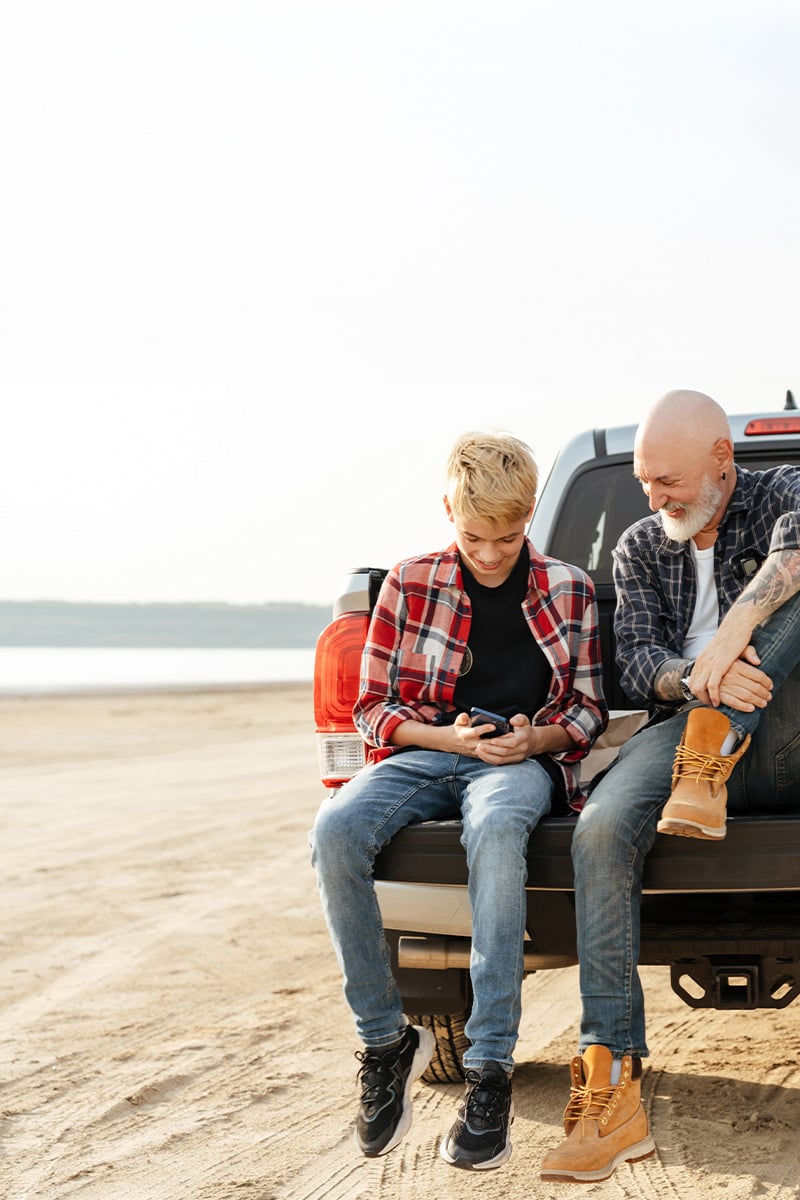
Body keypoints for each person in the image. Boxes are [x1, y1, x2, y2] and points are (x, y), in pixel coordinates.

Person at [310, 430, 607, 1170]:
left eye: (508, 536)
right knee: (336, 829)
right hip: (426, 755)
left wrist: (532, 742)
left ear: (531, 513)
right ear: (449, 509)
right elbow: (372, 710)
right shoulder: (409, 583)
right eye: (475, 536)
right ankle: (385, 1042)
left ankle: (490, 1069)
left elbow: (587, 710)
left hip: (513, 763)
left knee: (499, 834)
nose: (491, 552)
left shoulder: (568, 587)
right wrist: (451, 740)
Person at [541, 389, 800, 1184]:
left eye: (669, 483)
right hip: (683, 736)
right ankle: (612, 1084)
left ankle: (716, 733)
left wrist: (731, 640)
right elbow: (637, 662)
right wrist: (701, 679)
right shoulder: (638, 546)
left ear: (724, 462)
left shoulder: (782, 489)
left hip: (784, 725)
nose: (653, 499)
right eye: (647, 482)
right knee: (599, 828)